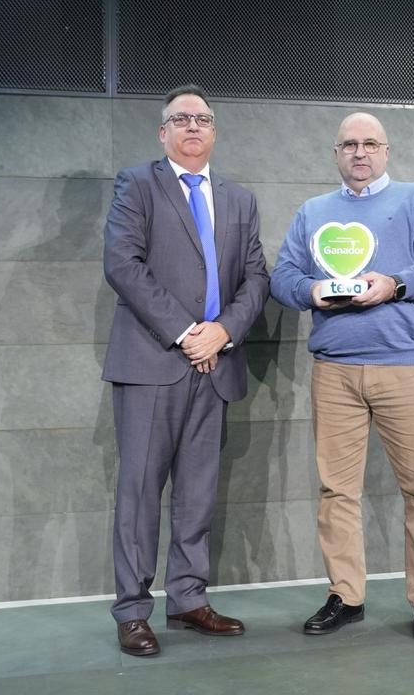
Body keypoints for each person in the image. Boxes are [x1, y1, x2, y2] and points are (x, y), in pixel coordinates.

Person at [270, 112, 414, 640]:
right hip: (334, 371)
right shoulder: (313, 212)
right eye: (349, 144)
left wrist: (395, 284)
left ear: (386, 151)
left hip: (404, 366)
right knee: (337, 492)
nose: (360, 152)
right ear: (336, 154)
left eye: (370, 143)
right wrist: (311, 291)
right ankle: (345, 595)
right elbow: (282, 277)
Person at [101, 84, 269, 656]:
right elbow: (123, 264)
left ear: (214, 130)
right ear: (163, 132)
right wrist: (187, 332)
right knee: (141, 492)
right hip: (153, 363)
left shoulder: (240, 199)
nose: (193, 126)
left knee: (197, 494)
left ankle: (189, 599)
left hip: (216, 365)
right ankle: (132, 611)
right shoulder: (138, 184)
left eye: (202, 118)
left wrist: (223, 332)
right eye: (181, 119)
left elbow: (256, 278)